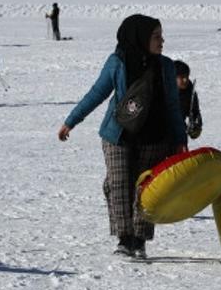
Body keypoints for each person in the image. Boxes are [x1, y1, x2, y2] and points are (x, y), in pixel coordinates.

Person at [58, 14, 187, 259]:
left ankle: (139, 241)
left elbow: (172, 106)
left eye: (161, 35)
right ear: (140, 38)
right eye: (156, 36)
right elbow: (97, 92)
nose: (162, 41)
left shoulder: (165, 66)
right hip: (118, 135)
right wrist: (71, 121)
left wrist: (180, 140)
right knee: (119, 185)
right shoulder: (118, 61)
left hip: (155, 137)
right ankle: (124, 239)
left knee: (146, 189)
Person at [174, 60, 202, 140]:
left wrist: (195, 126)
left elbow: (194, 112)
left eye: (187, 76)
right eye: (182, 77)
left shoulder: (190, 92)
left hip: (179, 135)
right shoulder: (163, 91)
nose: (185, 80)